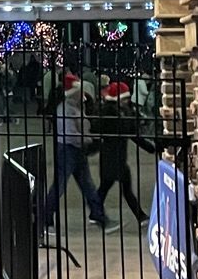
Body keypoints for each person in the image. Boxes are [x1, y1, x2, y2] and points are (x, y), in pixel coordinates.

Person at [39, 72, 114, 233]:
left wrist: (88, 137)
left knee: (87, 185)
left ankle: (99, 216)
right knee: (60, 187)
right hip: (68, 150)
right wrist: (89, 139)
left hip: (75, 149)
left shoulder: (74, 107)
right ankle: (45, 220)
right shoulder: (66, 109)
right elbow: (70, 134)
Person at [95, 80, 149, 225]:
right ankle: (141, 216)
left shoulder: (119, 111)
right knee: (122, 189)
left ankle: (95, 212)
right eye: (125, 98)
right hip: (113, 156)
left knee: (106, 188)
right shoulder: (111, 112)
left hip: (114, 156)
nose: (127, 101)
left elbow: (131, 133)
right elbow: (129, 132)